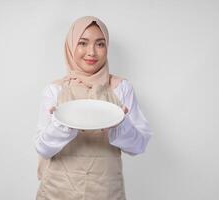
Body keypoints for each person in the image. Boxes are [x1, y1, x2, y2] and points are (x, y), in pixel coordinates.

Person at [34, 16, 153, 200]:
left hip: (106, 191)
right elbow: (42, 148)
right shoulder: (55, 90)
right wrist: (60, 125)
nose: (91, 52)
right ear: (71, 46)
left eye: (100, 44)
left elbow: (139, 146)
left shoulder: (121, 88)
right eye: (82, 43)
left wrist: (121, 126)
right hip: (58, 190)